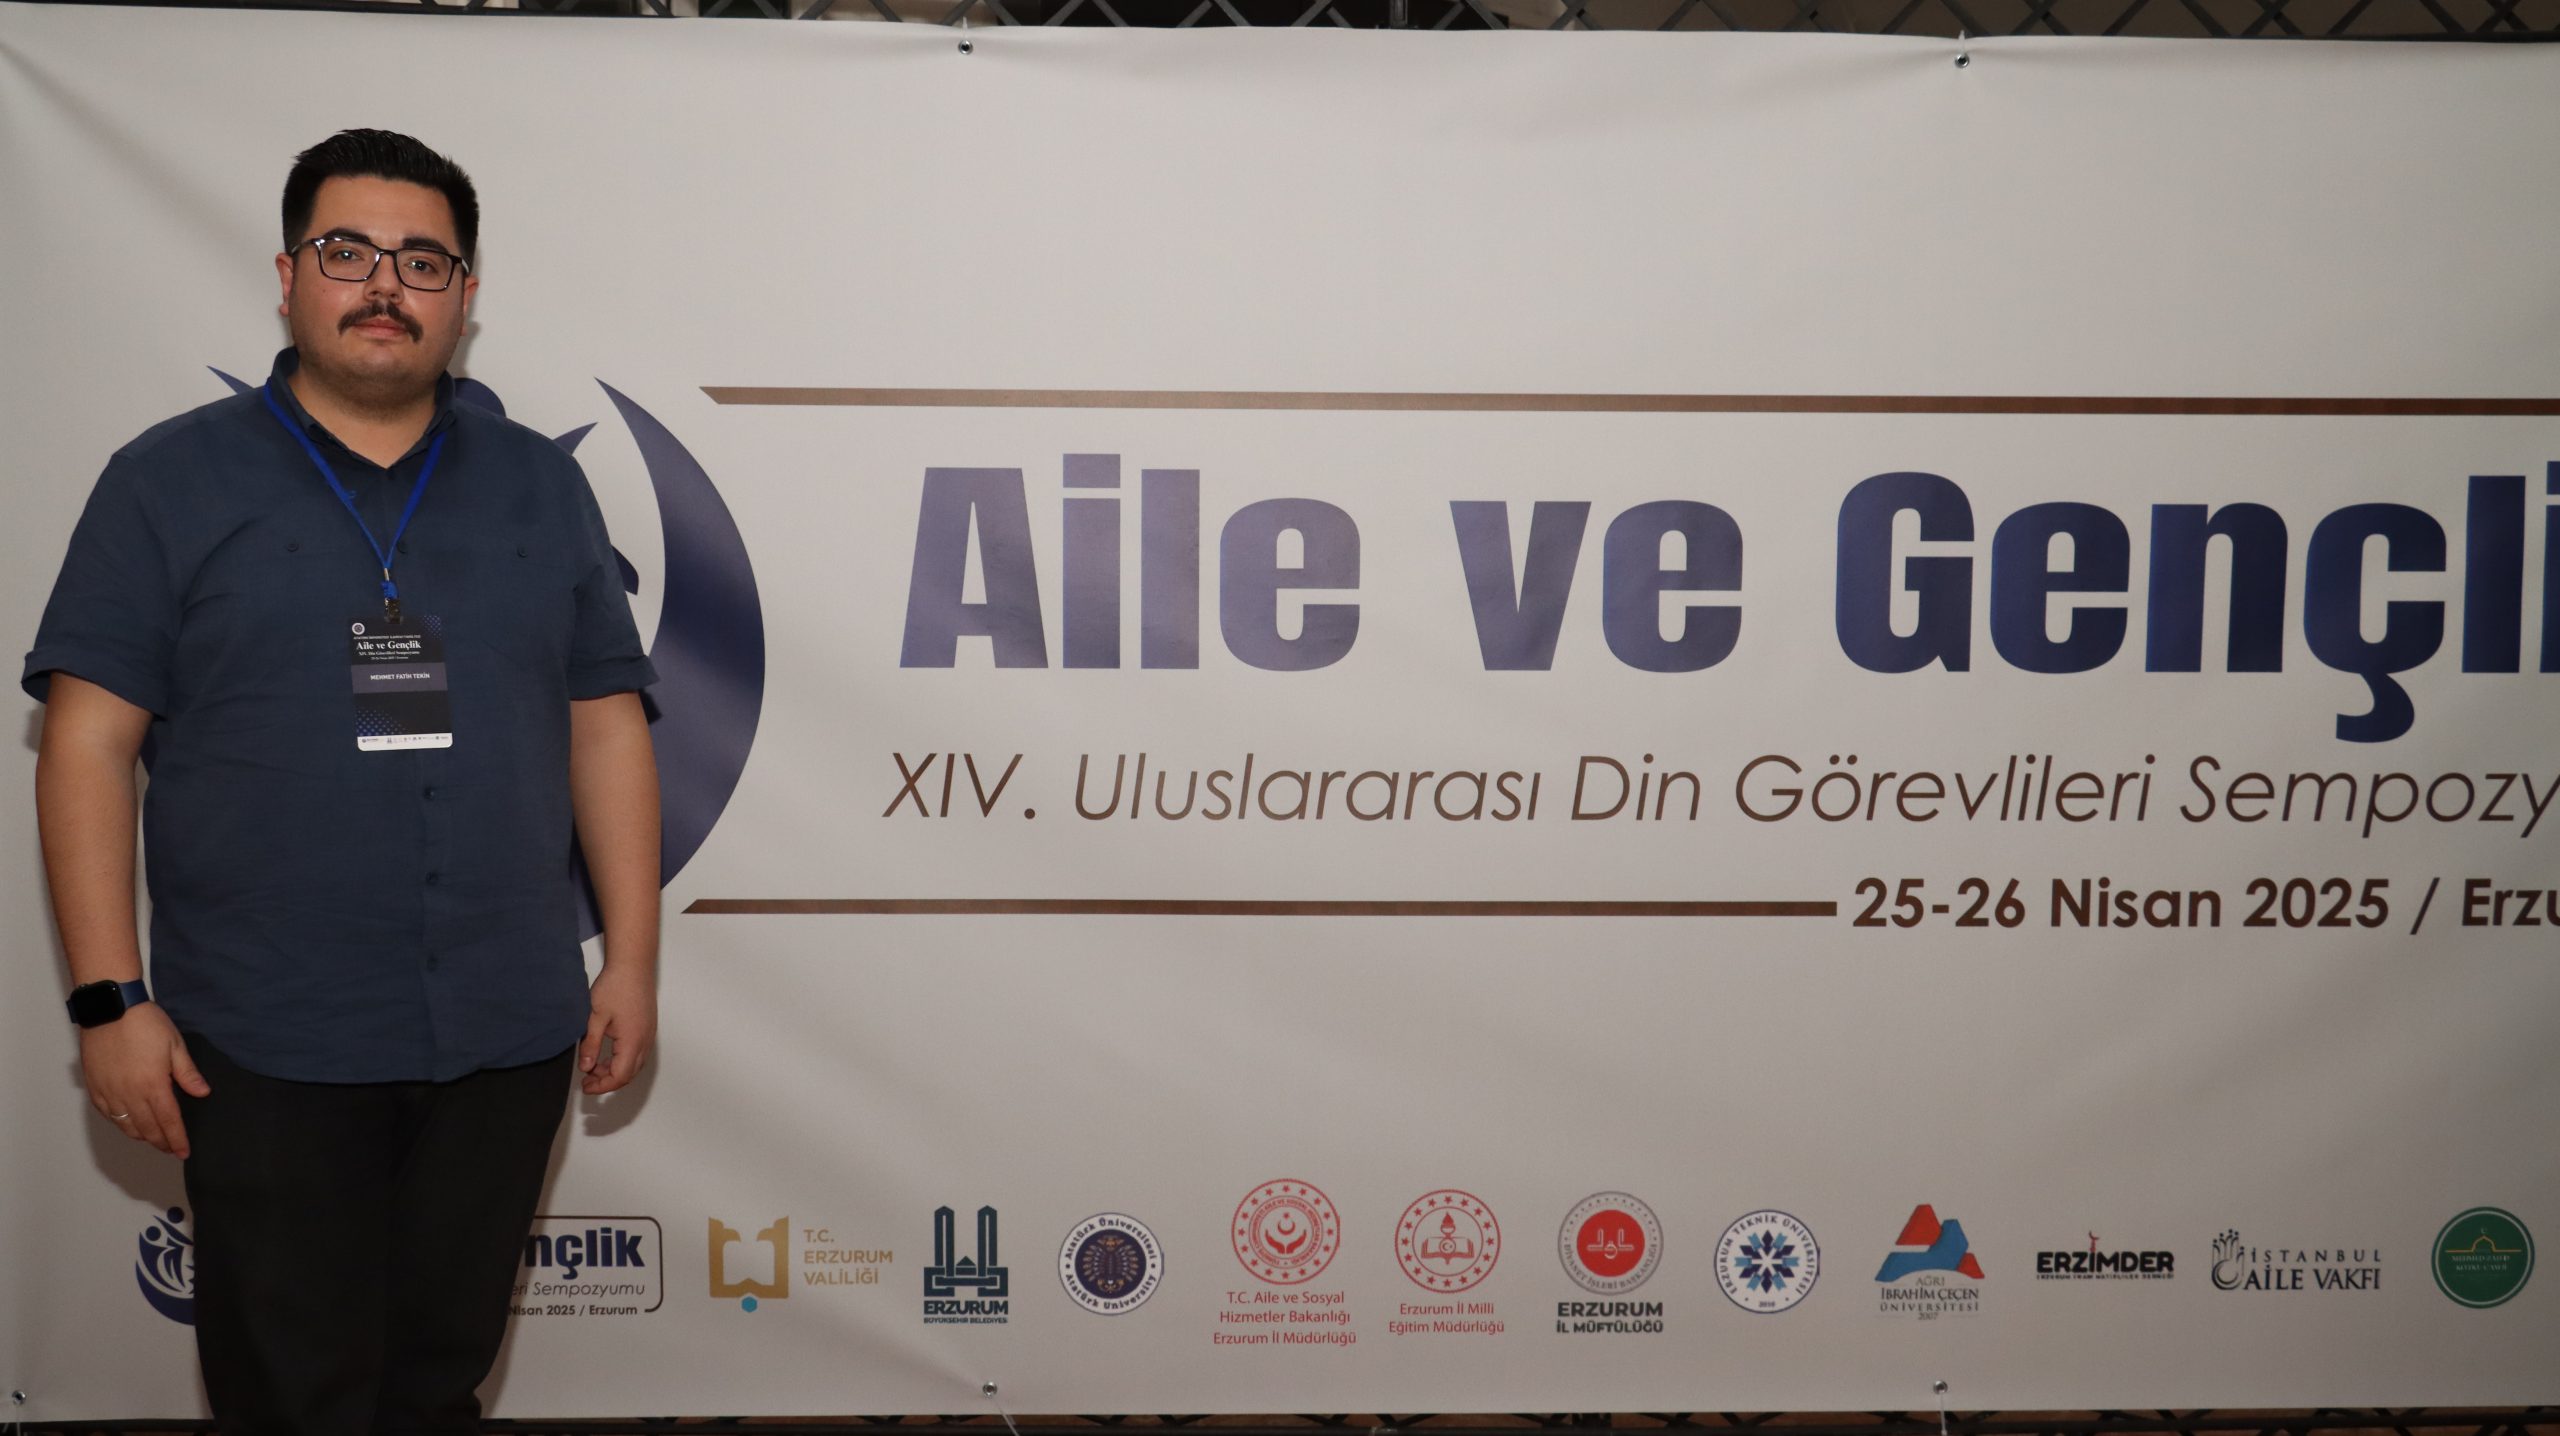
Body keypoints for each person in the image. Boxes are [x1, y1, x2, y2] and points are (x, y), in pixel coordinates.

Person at [26, 129, 661, 1432]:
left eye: (423, 261)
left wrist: (635, 963)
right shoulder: (165, 482)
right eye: (347, 252)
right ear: (287, 276)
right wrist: (108, 1000)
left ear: (465, 297)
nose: (385, 284)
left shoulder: (544, 486)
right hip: (264, 1041)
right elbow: (87, 744)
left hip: (503, 1031)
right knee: (291, 1395)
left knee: (438, 1382)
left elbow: (605, 726)